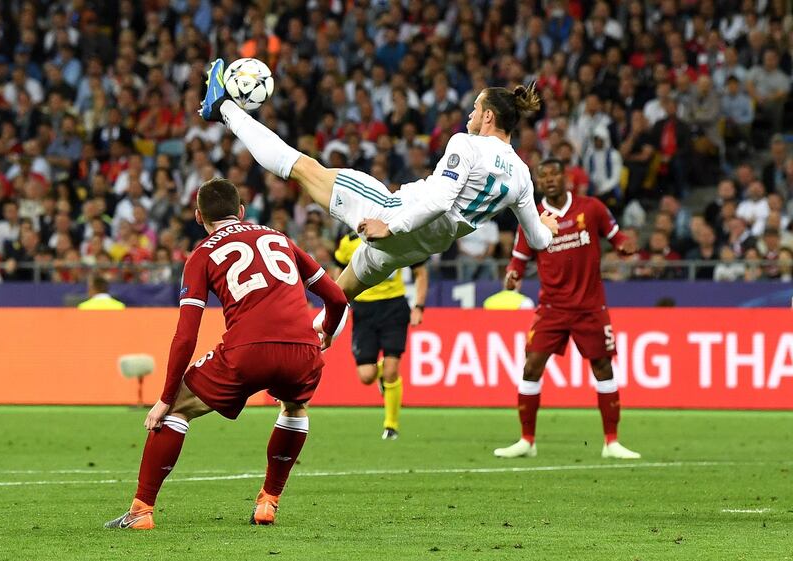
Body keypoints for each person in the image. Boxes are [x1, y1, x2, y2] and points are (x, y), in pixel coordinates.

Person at [199, 59, 559, 306]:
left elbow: (439, 202)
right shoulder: (522, 174)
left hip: (393, 216)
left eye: (476, 109)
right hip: (413, 251)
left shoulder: (466, 144)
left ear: (489, 116)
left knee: (303, 168)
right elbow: (539, 240)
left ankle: (224, 108)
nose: (470, 114)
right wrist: (546, 225)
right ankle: (306, 354)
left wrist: (390, 225)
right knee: (336, 302)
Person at [105, 178, 349, 530]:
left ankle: (141, 511)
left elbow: (186, 335)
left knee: (177, 410)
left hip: (246, 351)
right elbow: (337, 299)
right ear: (242, 212)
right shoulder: (280, 238)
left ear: (198, 216)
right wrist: (326, 331)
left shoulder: (201, 254)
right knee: (295, 407)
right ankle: (268, 502)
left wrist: (165, 396)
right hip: (302, 350)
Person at [493, 158, 641, 460]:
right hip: (552, 308)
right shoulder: (532, 217)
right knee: (531, 365)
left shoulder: (592, 208)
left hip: (589, 306)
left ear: (566, 178)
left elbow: (616, 236)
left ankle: (611, 441)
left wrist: (626, 244)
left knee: (603, 367)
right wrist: (512, 274)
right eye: (543, 175)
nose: (549, 179)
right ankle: (527, 440)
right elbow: (519, 260)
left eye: (554, 174)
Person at [333, 230, 428, 440]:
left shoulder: (398, 236)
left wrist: (419, 306)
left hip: (394, 306)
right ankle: (382, 376)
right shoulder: (348, 242)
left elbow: (420, 271)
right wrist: (339, 306)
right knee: (366, 376)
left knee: (392, 370)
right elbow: (337, 274)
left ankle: (391, 425)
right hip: (363, 309)